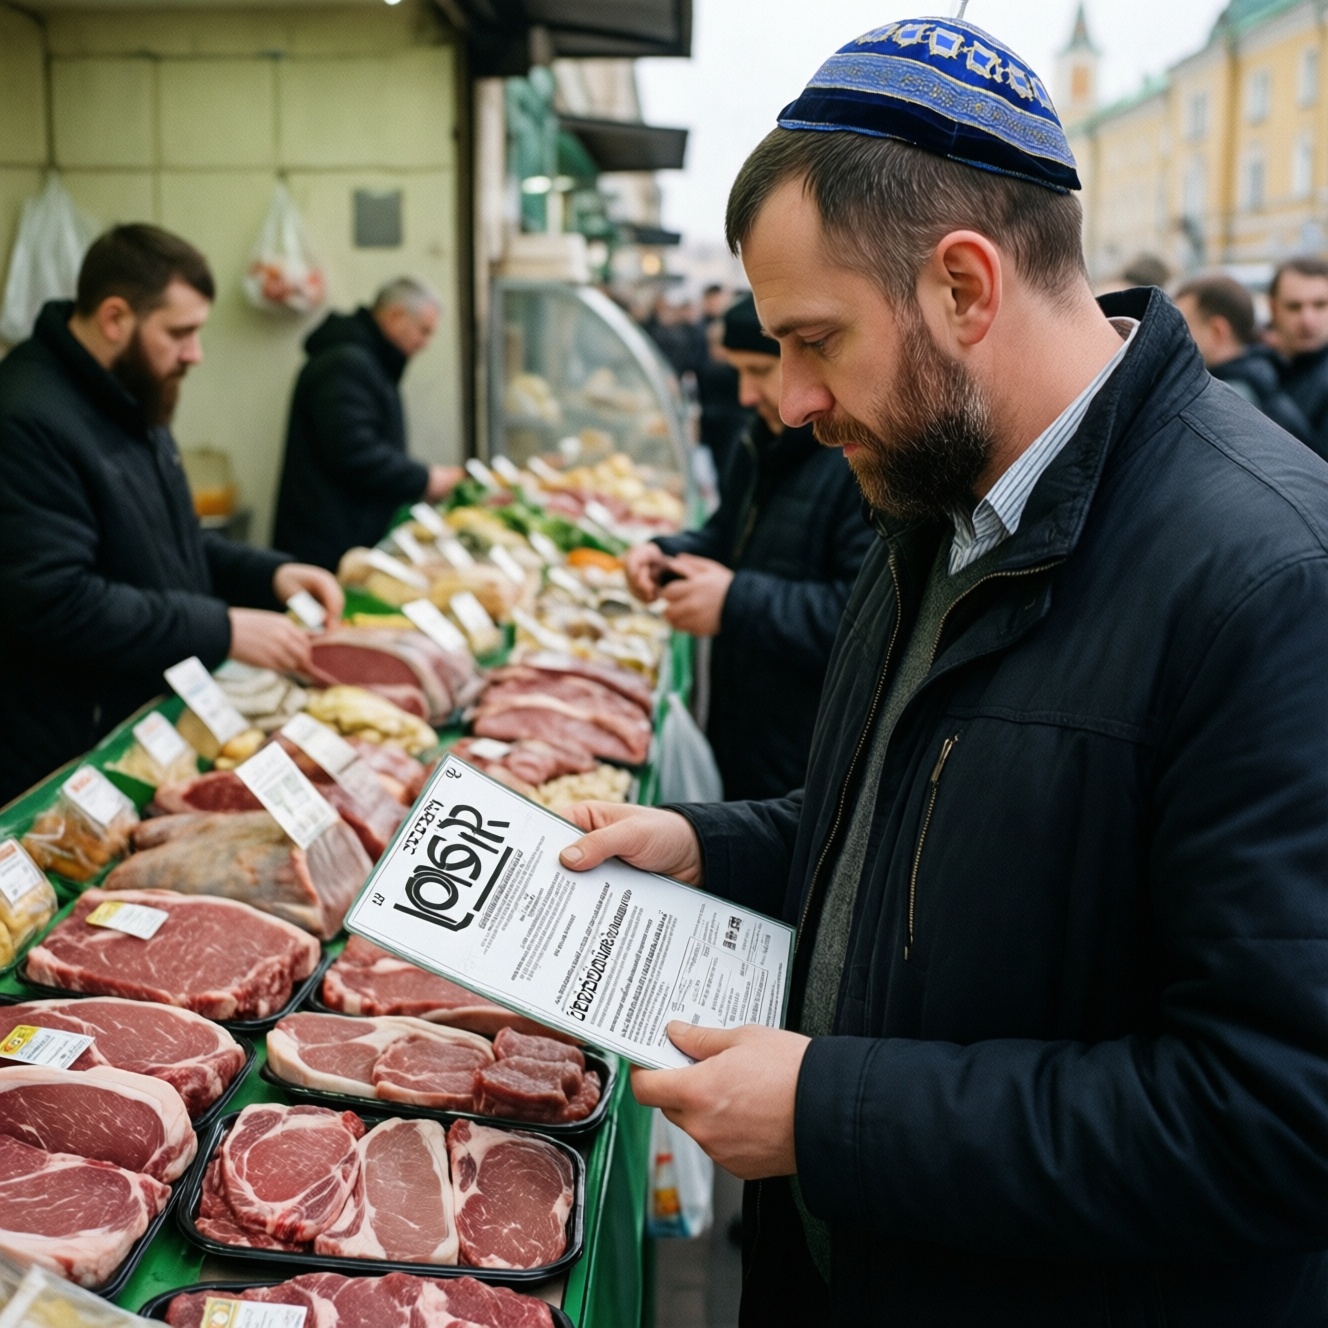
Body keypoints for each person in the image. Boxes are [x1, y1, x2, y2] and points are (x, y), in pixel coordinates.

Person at [559, 18, 1328, 1326]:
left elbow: (1277, 1113)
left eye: (816, 339)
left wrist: (831, 1112)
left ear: (966, 290)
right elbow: (931, 814)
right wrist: (712, 845)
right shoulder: (936, 492)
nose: (790, 400)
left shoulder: (1271, 577)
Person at [0, 224, 342, 804]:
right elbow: (56, 601)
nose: (196, 353)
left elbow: (162, 541)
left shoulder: (128, 390)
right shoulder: (26, 419)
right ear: (115, 319)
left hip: (146, 719)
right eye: (180, 333)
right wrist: (223, 628)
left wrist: (268, 574)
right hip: (63, 756)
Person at [624, 295, 872, 801]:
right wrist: (666, 551)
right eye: (736, 372)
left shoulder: (858, 464)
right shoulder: (757, 438)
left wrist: (734, 602)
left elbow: (861, 619)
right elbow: (726, 535)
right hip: (744, 726)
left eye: (759, 371)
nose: (743, 394)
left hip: (804, 753)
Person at [272, 277, 460, 570]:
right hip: (328, 541)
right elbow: (354, 452)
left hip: (347, 533)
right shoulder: (345, 364)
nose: (425, 343)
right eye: (424, 331)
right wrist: (424, 479)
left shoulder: (369, 360)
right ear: (396, 316)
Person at [1173, 272, 1315, 444]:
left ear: (1218, 331)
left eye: (1182, 327)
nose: (1174, 337)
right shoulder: (1262, 380)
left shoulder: (1225, 403)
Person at [1268, 255, 1328, 460]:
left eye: (1320, 305)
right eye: (1294, 307)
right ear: (1274, 310)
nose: (1307, 320)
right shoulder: (1265, 366)